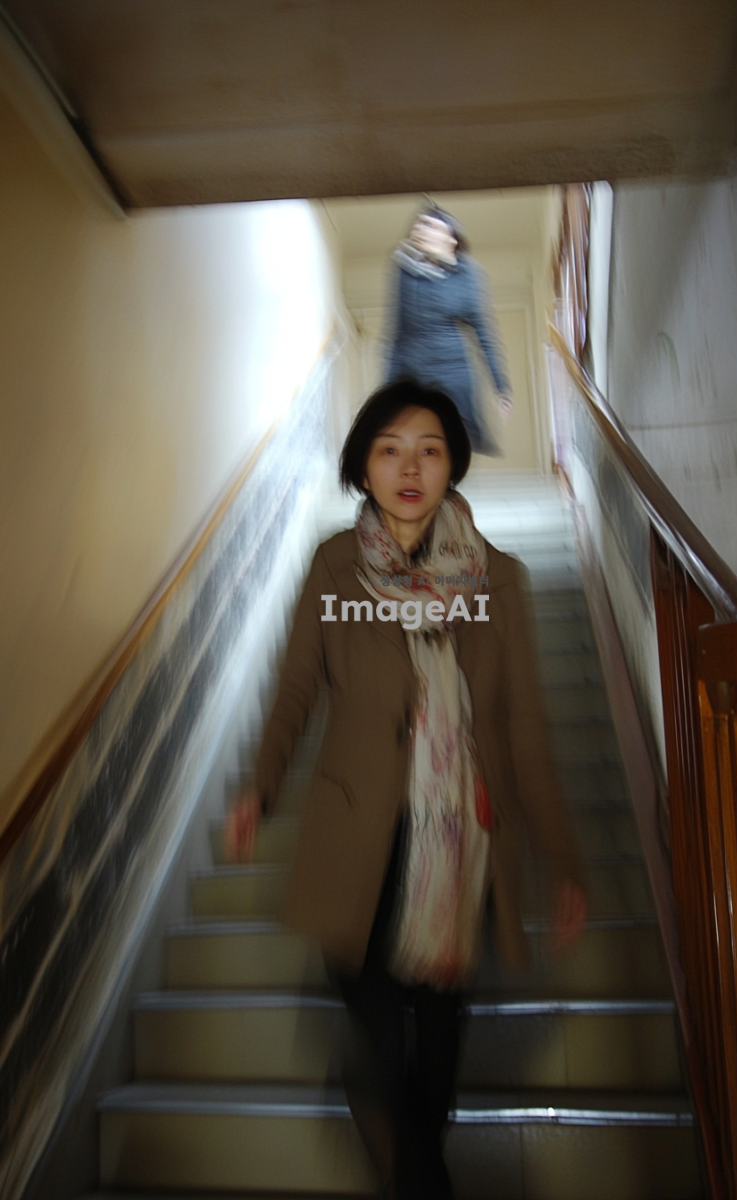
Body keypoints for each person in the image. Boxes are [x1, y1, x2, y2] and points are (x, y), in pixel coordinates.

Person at [226, 380, 586, 1199]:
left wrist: (563, 858)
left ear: (453, 463)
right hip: (357, 842)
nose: (410, 467)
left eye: (429, 449)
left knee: (439, 1056)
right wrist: (260, 787)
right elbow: (295, 692)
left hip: (461, 845)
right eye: (389, 450)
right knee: (386, 1051)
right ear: (363, 468)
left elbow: (524, 728)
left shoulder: (500, 580)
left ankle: (408, 1156)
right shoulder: (334, 567)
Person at [384, 206, 514, 456]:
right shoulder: (404, 269)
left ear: (451, 238)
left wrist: (501, 386)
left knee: (453, 440)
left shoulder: (468, 275)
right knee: (409, 435)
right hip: (411, 371)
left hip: (453, 372)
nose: (421, 229)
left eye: (431, 226)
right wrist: (387, 389)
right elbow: (396, 333)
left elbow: (484, 333)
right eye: (419, 225)